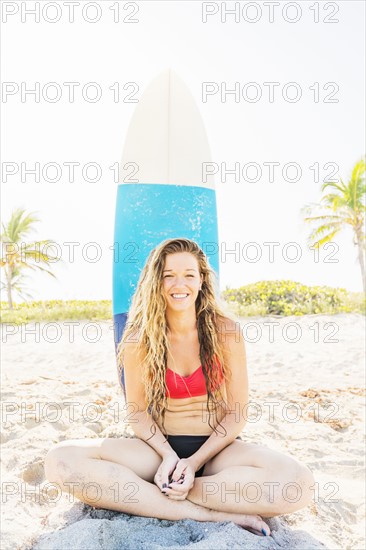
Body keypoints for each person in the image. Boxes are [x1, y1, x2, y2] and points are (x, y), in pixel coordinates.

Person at [44, 238, 315, 537]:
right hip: (157, 452)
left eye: (188, 274)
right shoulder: (138, 338)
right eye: (168, 275)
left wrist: (193, 463)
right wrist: (170, 458)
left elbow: (237, 414)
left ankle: (163, 495)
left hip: (216, 453)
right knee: (59, 461)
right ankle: (205, 514)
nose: (179, 284)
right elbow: (138, 413)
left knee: (298, 483)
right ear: (156, 281)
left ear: (202, 280)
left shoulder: (226, 332)